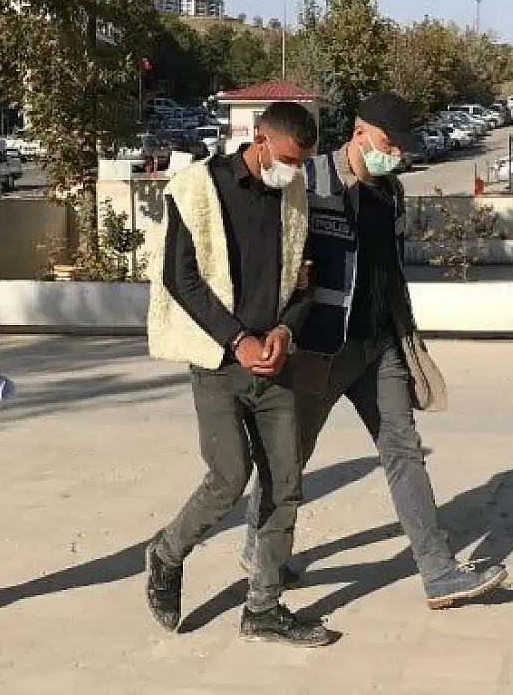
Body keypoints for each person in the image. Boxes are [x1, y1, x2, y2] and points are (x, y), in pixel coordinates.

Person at [240, 92, 508, 610]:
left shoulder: (392, 192)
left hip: (378, 346)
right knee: (289, 459)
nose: (396, 154)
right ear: (360, 132)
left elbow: (390, 267)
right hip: (317, 349)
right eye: (389, 143)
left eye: (401, 147)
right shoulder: (308, 179)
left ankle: (439, 574)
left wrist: (402, 334)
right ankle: (258, 547)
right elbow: (266, 245)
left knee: (404, 453)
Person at [143, 101, 334, 648]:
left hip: (276, 364)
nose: (294, 171)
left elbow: (305, 281)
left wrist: (285, 332)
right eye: (289, 159)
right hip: (218, 361)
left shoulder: (294, 195)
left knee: (284, 484)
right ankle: (166, 553)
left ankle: (263, 607)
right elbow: (180, 278)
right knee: (229, 476)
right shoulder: (198, 188)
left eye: (302, 162)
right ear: (260, 139)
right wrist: (237, 339)